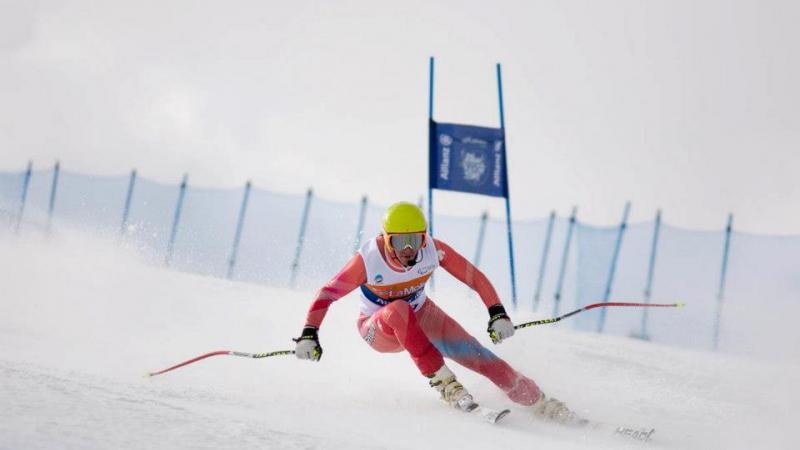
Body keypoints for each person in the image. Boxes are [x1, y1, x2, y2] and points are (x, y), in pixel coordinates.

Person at [293, 201, 577, 423]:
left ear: (424, 238)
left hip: (421, 316)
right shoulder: (368, 259)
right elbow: (327, 294)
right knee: (398, 309)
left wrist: (497, 313)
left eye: (415, 241)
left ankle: (542, 404)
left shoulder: (433, 251)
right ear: (386, 238)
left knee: (484, 359)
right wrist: (309, 333)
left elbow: (475, 277)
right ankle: (447, 385)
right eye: (400, 242)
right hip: (378, 329)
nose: (407, 250)